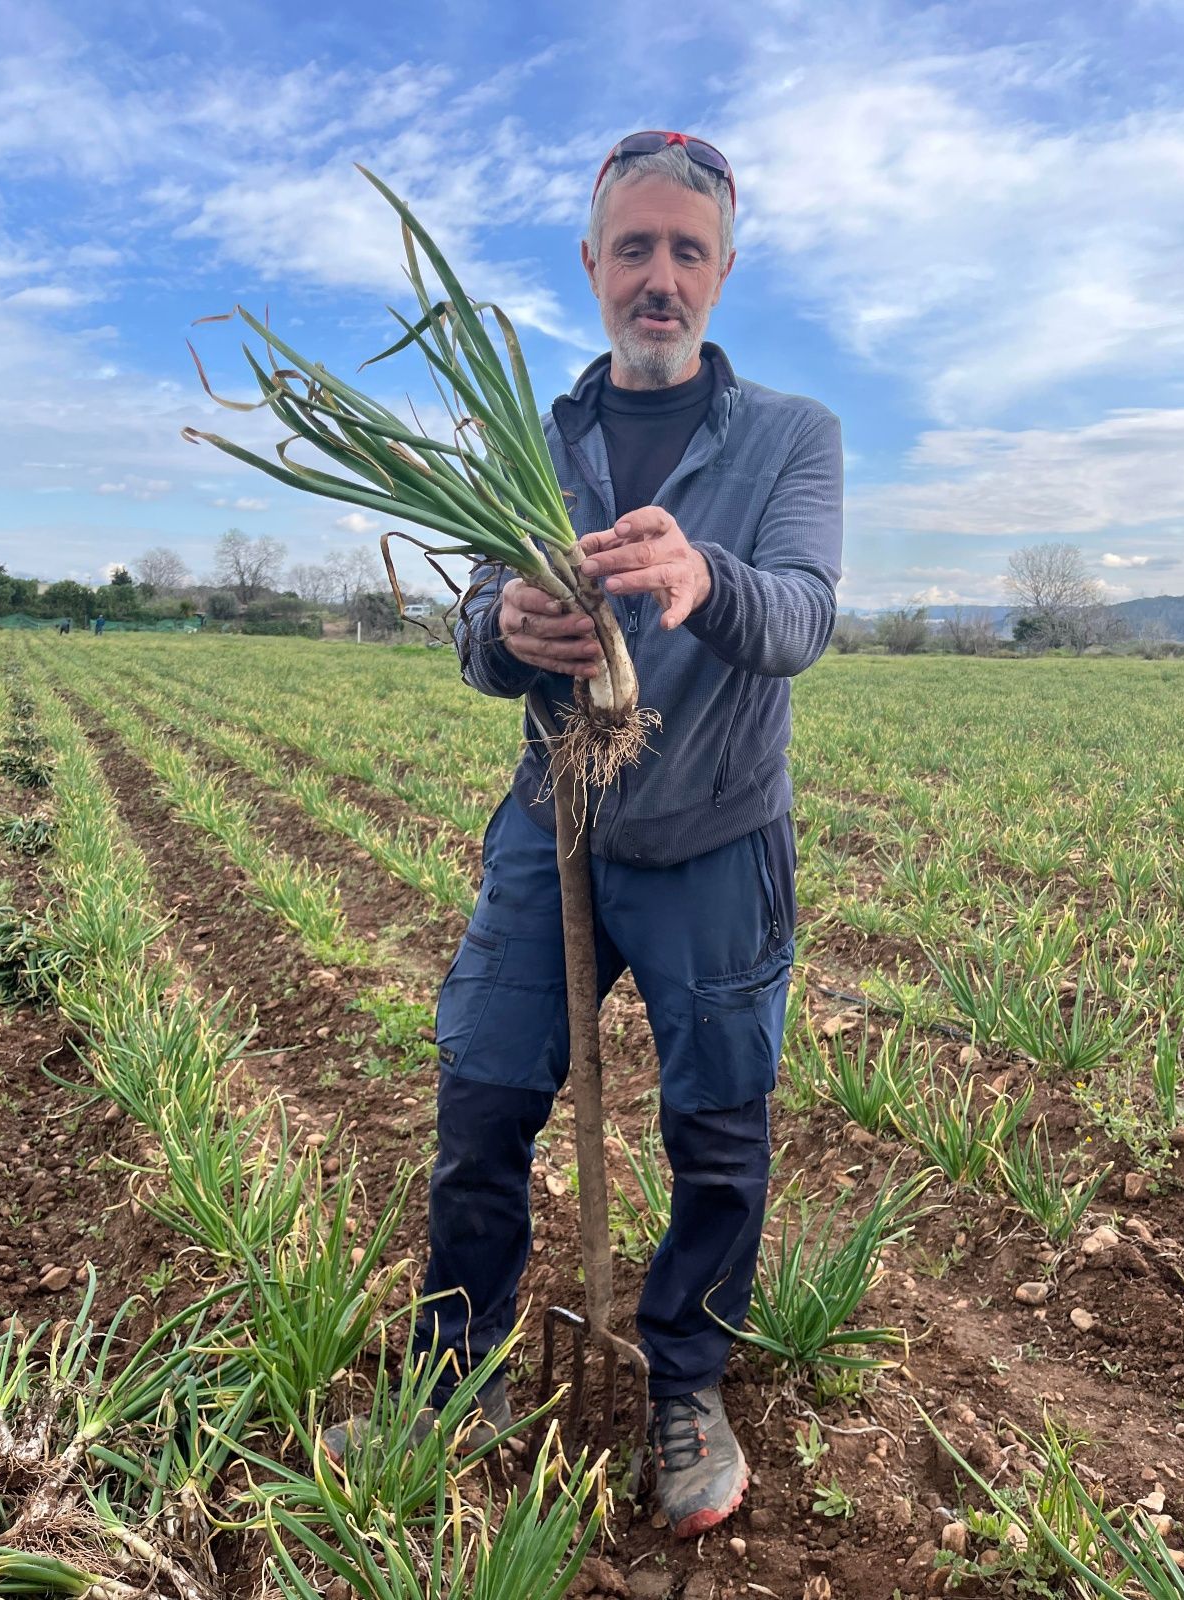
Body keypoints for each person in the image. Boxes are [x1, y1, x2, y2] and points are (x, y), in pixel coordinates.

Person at [331, 130, 843, 1538]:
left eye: (689, 251)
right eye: (636, 248)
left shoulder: (794, 436)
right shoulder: (531, 439)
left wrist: (703, 574)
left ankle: (685, 1380)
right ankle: (460, 1372)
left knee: (717, 1132)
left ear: (723, 273)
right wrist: (502, 629)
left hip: (718, 838)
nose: (660, 277)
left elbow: (801, 612)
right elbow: (475, 631)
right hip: (551, 820)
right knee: (482, 1095)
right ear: (593, 266)